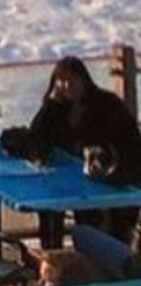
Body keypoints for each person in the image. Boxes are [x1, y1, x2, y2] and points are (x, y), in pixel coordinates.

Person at [26, 56, 141, 237]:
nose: (67, 85)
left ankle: (98, 253)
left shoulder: (106, 104)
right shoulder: (57, 109)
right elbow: (34, 135)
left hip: (111, 176)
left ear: (84, 80)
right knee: (49, 204)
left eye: (73, 80)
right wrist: (50, 104)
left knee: (92, 221)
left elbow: (130, 142)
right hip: (70, 178)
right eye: (62, 80)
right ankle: (51, 252)